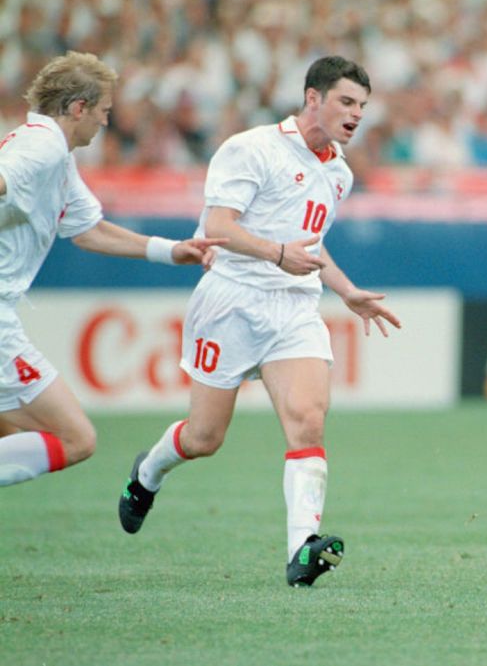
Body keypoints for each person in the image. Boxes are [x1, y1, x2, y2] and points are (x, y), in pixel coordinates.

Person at [117, 55, 402, 588]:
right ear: (312, 98)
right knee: (204, 437)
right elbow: (218, 226)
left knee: (307, 419)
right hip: (232, 300)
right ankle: (147, 473)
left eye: (363, 105)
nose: (357, 114)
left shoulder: (338, 171)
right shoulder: (251, 148)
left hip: (294, 304)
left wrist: (346, 292)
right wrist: (275, 253)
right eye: (346, 101)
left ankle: (302, 550)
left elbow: (311, 248)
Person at [0, 51, 222, 488]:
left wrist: (171, 250)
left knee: (12, 432)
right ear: (78, 108)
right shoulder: (42, 147)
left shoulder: (55, 154)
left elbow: (88, 231)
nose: (105, 122)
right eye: (102, 111)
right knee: (74, 438)